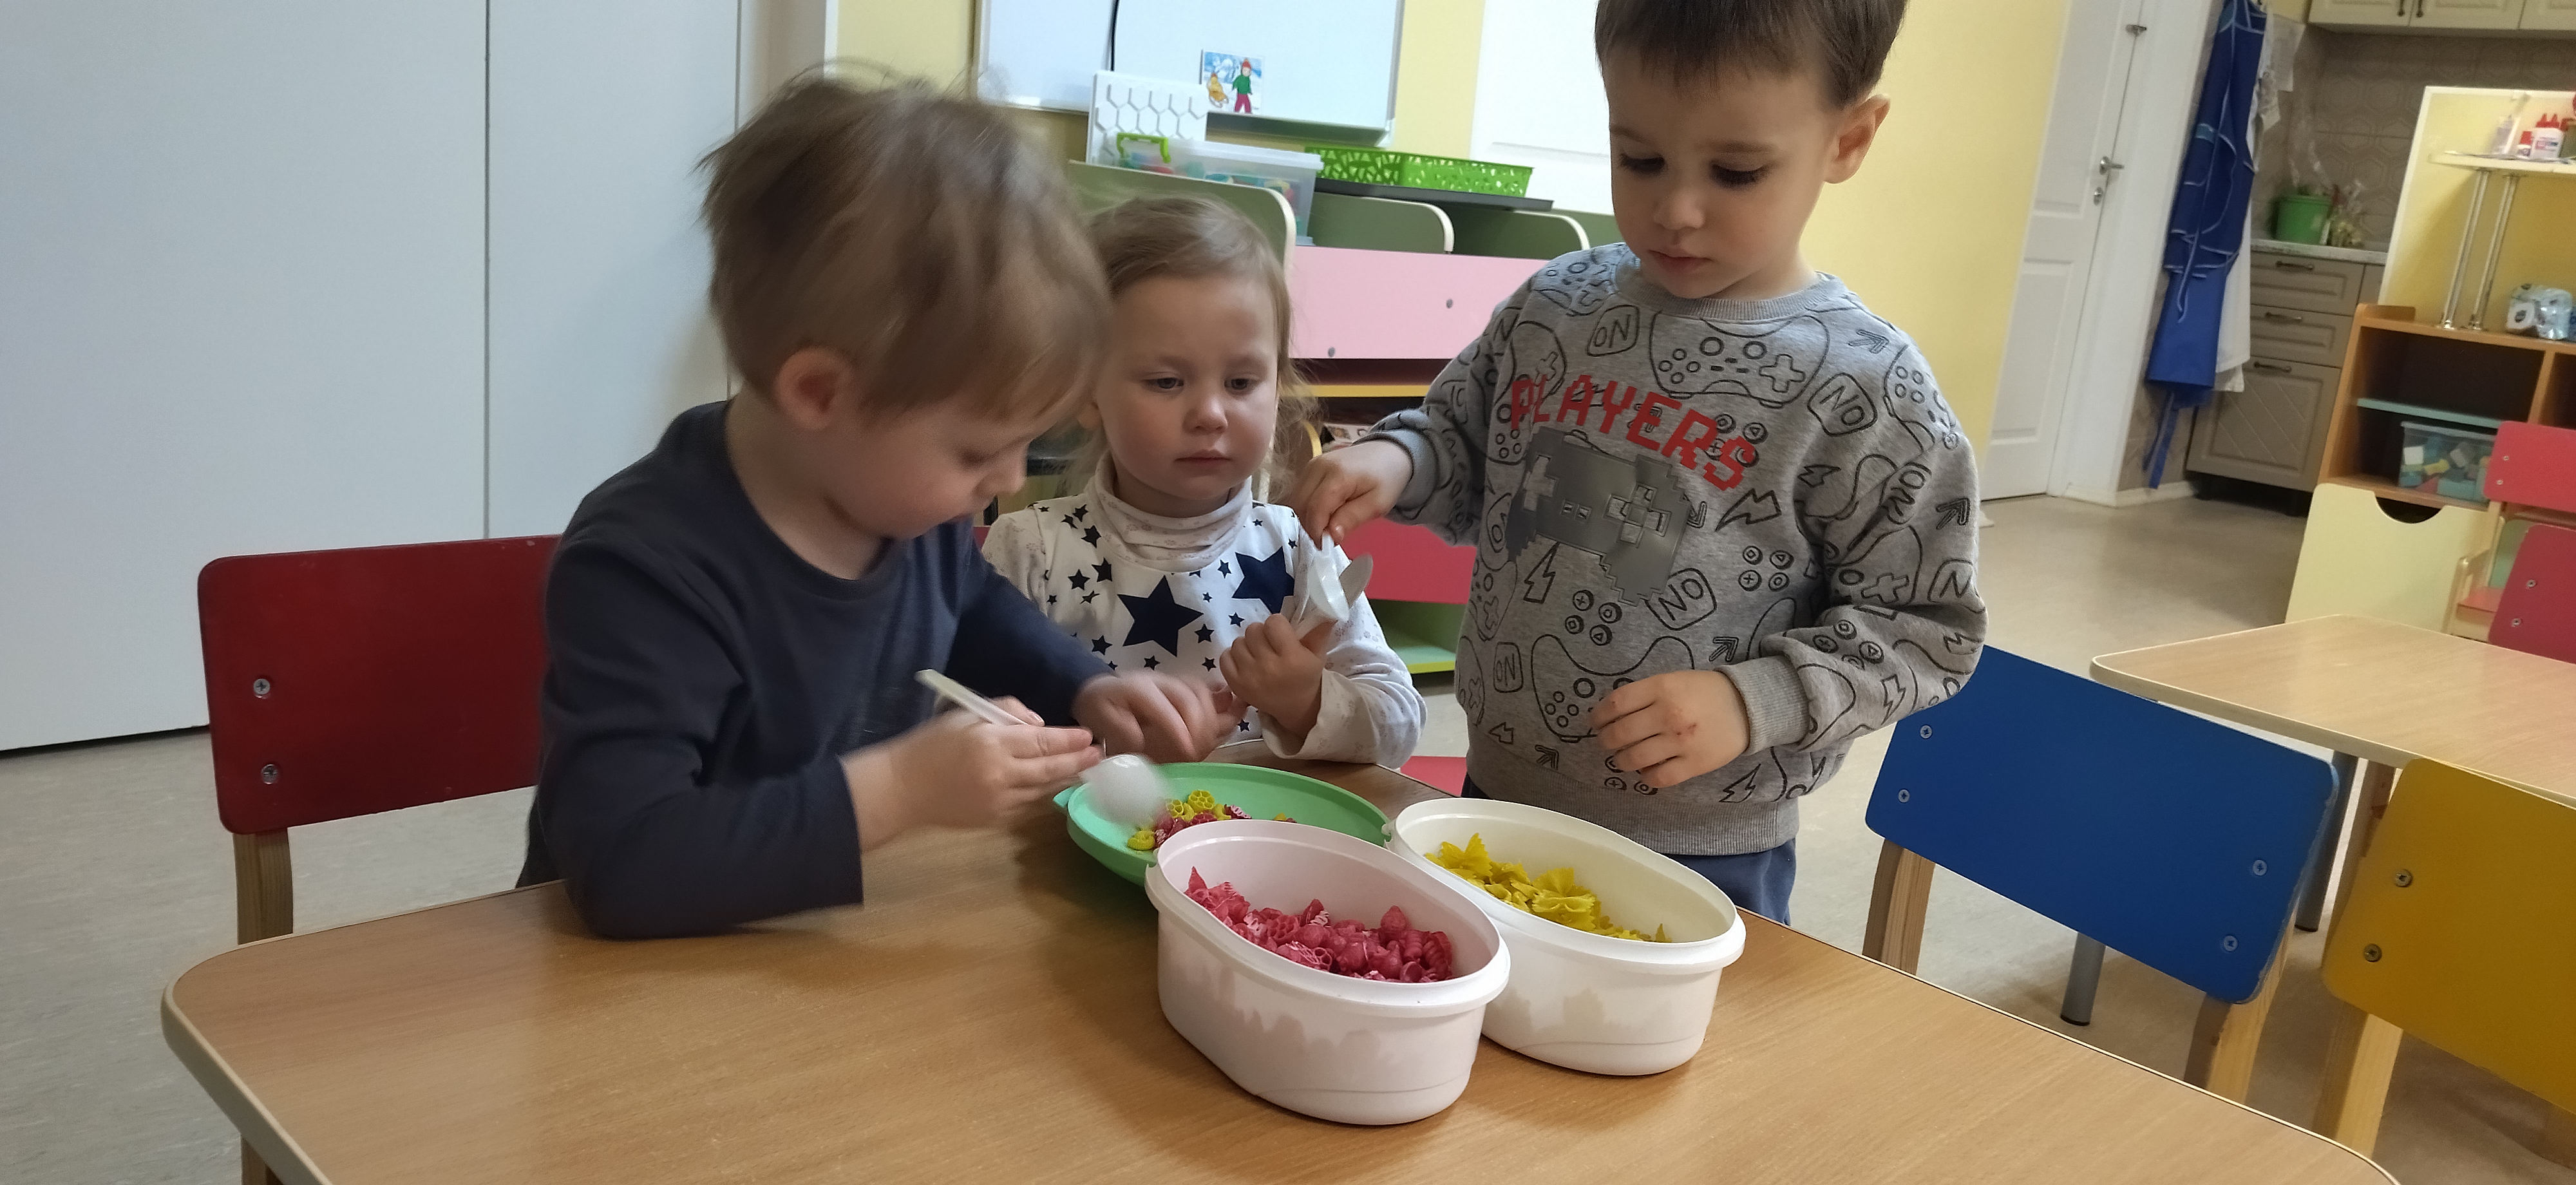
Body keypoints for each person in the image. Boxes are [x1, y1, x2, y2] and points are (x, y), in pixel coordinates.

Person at [1289, 0, 1985, 923]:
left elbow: (1927, 628)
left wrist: (1758, 699)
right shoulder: (1555, 306)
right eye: (1640, 158)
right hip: (1498, 799)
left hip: (1703, 852)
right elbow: (1460, 436)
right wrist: (1397, 458)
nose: (1676, 211)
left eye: (1736, 172)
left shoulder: (1868, 386)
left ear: (1847, 140)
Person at [521, 78, 1235, 940]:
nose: (1008, 478)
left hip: (811, 945)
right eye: (975, 451)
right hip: (625, 977)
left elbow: (969, 601)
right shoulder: (644, 568)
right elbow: (624, 863)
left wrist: (1085, 686)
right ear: (821, 393)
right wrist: (901, 789)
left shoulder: (900, 502)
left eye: (1024, 442)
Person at [985, 198, 1423, 768]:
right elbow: (966, 724)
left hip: (1255, 826)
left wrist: (1308, 699)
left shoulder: (1300, 550)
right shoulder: (1031, 550)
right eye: (1167, 382)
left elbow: (1400, 724)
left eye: (1241, 383)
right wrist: (1098, 739)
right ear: (1086, 392)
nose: (1210, 415)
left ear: (1278, 387)